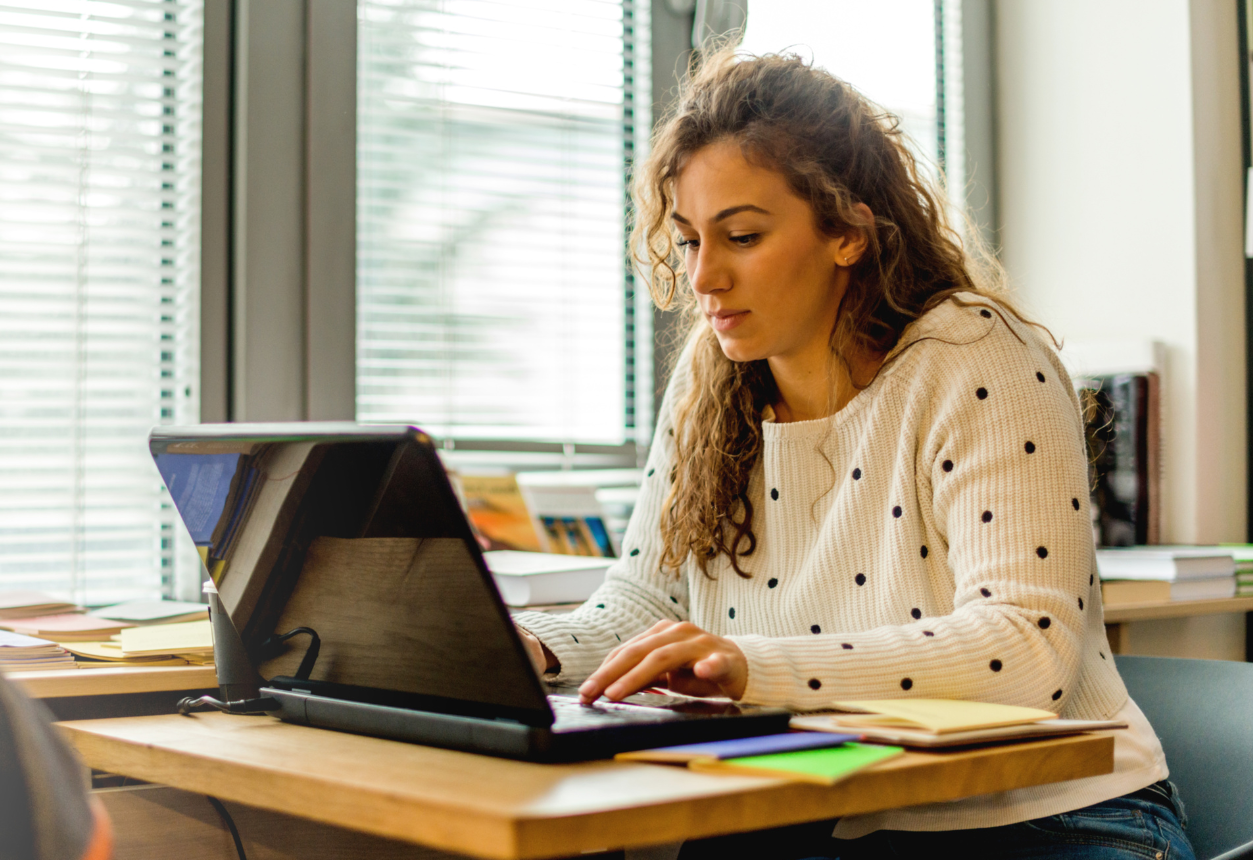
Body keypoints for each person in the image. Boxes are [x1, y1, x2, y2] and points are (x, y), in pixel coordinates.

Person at [511, 47, 1193, 860]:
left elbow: (1025, 650)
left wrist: (748, 666)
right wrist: (526, 650)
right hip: (827, 808)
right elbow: (645, 605)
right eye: (689, 241)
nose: (703, 277)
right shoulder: (710, 378)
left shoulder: (976, 356)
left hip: (1046, 819)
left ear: (847, 233)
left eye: (742, 236)